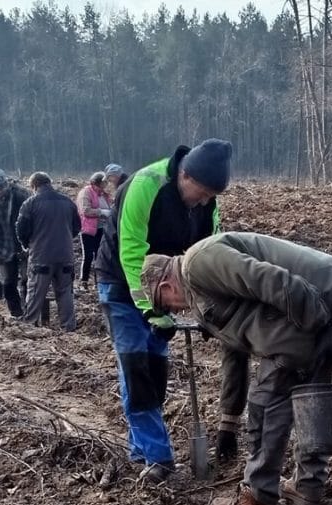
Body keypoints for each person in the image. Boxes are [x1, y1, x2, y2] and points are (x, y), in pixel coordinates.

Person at [140, 232, 332, 505]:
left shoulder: (198, 263)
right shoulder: (204, 295)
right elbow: (236, 354)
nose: (174, 312)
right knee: (313, 398)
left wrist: (313, 323)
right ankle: (308, 488)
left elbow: (266, 278)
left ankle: (257, 500)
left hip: (317, 301)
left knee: (266, 404)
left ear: (165, 285)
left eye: (164, 305)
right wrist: (228, 424)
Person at [93, 139, 232, 484]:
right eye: (199, 193)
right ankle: (160, 457)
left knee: (155, 369)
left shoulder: (206, 202)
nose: (202, 202)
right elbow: (131, 251)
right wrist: (147, 308)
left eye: (209, 197)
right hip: (123, 286)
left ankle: (140, 450)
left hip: (164, 291)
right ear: (183, 175)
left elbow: (204, 254)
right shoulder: (146, 186)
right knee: (137, 368)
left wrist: (206, 307)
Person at [16, 172, 81, 331]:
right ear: (49, 183)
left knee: (36, 293)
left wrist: (26, 244)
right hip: (65, 256)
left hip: (41, 256)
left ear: (34, 186)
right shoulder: (68, 202)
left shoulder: (30, 203)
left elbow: (21, 229)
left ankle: (30, 326)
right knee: (65, 293)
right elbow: (77, 227)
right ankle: (68, 328)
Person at [0, 168, 31, 318]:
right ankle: (16, 313)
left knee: (27, 280)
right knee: (8, 282)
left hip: (23, 245)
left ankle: (30, 313)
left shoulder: (21, 195)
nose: (0, 191)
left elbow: (32, 219)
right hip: (2, 247)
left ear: (6, 183)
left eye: (2, 187)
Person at [75, 172, 113, 290]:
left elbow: (110, 206)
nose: (104, 186)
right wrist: (101, 212)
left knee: (100, 255)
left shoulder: (104, 194)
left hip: (102, 228)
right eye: (102, 184)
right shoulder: (86, 193)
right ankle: (84, 281)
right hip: (89, 229)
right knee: (88, 255)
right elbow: (85, 210)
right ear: (95, 183)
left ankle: (99, 281)